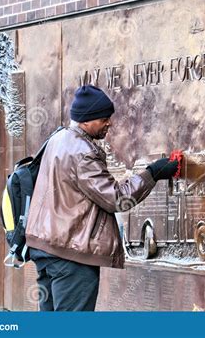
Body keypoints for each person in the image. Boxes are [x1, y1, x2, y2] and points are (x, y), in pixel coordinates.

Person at [25, 84, 178, 311]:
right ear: (86, 120)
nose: (109, 123)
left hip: (48, 247)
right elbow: (116, 198)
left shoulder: (58, 139)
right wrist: (152, 173)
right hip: (71, 255)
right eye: (104, 118)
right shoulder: (83, 152)